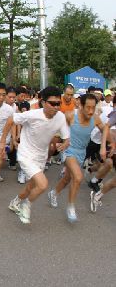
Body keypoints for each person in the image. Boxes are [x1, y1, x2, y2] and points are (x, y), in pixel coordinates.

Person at [0, 86, 70, 224]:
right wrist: (2, 142)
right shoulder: (32, 114)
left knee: (32, 186)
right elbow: (10, 120)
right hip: (26, 154)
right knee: (43, 185)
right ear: (43, 102)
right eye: (53, 103)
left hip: (41, 156)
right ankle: (27, 205)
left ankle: (15, 202)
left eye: (58, 103)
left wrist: (65, 143)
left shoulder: (60, 117)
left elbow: (66, 137)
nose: (56, 107)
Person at [47, 93, 107, 222]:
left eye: (93, 107)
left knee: (67, 178)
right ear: (81, 105)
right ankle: (71, 207)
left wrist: (103, 146)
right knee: (78, 177)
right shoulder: (70, 116)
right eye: (88, 107)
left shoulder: (95, 119)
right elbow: (57, 125)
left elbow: (105, 129)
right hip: (69, 150)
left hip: (81, 152)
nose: (91, 111)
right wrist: (57, 141)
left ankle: (54, 193)